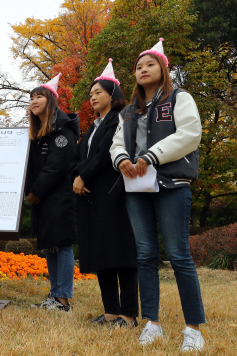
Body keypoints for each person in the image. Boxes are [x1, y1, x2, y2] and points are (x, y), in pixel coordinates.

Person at [110, 39, 205, 351]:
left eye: (150, 64)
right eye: (138, 67)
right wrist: (121, 159)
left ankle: (193, 329)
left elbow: (190, 134)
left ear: (163, 69)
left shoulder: (180, 98)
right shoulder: (128, 112)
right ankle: (152, 324)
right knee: (145, 256)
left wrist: (151, 156)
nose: (143, 70)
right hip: (136, 189)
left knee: (179, 256)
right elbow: (117, 143)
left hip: (172, 184)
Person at [70, 59, 139, 327]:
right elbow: (77, 158)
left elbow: (104, 155)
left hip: (114, 196)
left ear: (113, 93)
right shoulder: (91, 129)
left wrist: (82, 176)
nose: (92, 97)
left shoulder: (119, 120)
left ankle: (129, 314)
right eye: (90, 94)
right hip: (91, 199)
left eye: (98, 92)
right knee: (102, 254)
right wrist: (75, 177)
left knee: (121, 253)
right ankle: (111, 311)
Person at [26, 73, 79, 312]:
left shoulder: (63, 130)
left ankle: (63, 299)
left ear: (51, 100)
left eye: (39, 97)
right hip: (44, 199)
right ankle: (54, 296)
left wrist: (35, 192)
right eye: (31, 98)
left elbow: (57, 167)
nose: (34, 101)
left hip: (60, 198)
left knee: (62, 244)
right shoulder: (39, 133)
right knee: (50, 246)